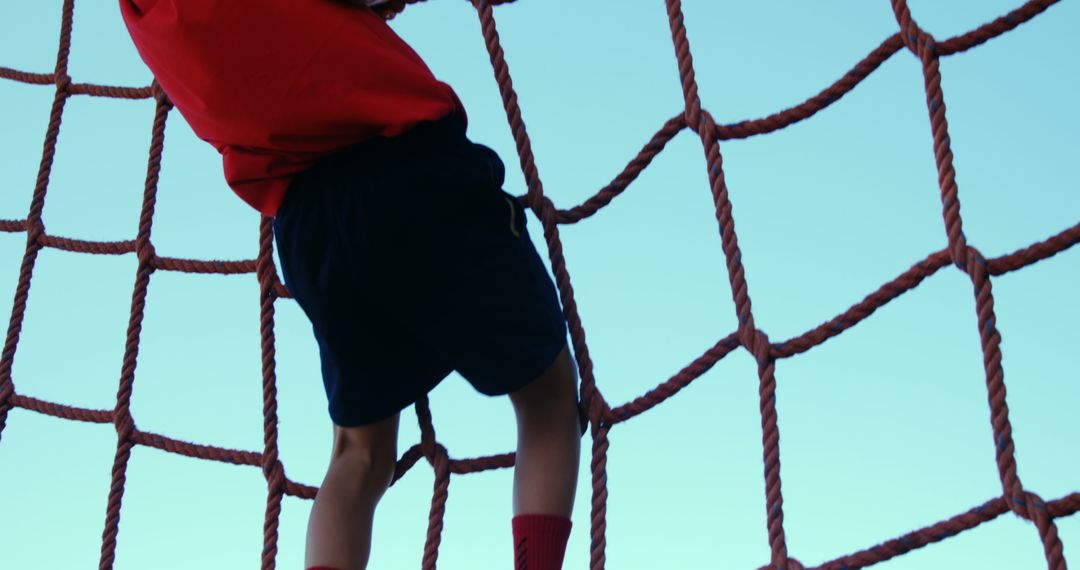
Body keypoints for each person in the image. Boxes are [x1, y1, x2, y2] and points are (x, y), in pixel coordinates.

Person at [119, 1, 584, 568]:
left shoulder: (145, 16)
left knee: (357, 458)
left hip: (309, 229)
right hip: (411, 169)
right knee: (549, 400)